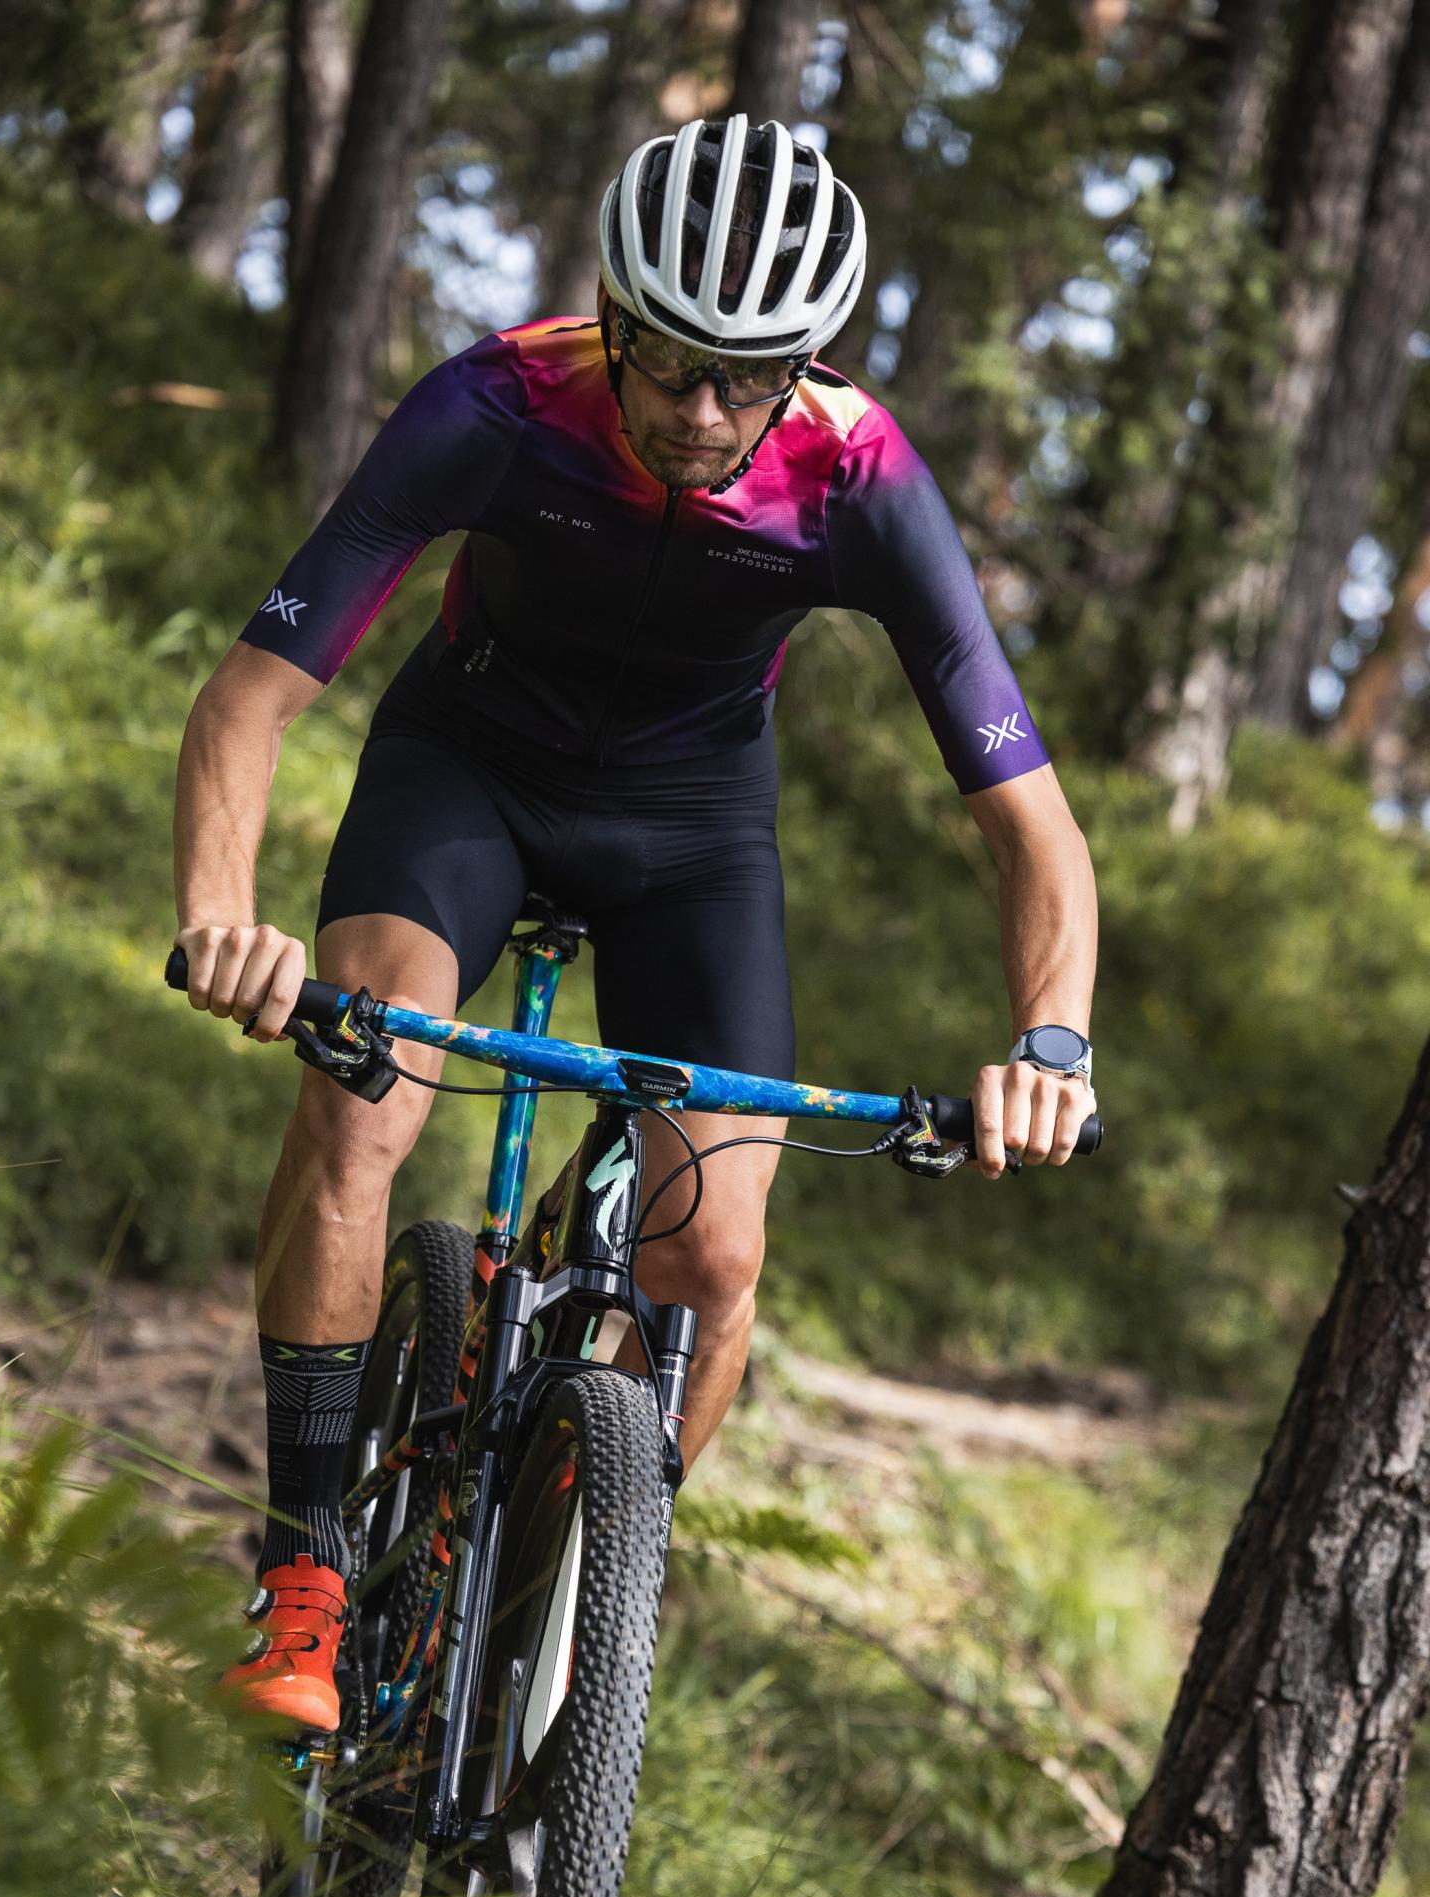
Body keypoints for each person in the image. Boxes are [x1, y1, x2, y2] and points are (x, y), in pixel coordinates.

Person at [172, 115, 1099, 1733]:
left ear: (807, 366)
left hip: (693, 827)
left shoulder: (861, 476)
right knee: (361, 1101)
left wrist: (1053, 1047)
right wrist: (221, 920)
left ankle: (555, 1625)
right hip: (468, 769)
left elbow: (1035, 829)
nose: (702, 411)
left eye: (751, 377)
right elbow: (249, 698)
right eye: (668, 360)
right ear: (610, 313)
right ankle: (303, 1576)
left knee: (717, 1255)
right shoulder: (496, 405)